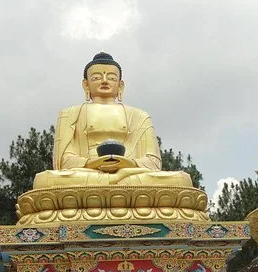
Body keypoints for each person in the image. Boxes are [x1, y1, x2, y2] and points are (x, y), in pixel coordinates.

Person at [32, 52, 192, 189]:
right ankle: (117, 186)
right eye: (96, 77)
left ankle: (114, 185)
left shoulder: (139, 115)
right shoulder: (70, 114)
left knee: (181, 180)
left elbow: (153, 162)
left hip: (128, 173)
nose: (104, 81)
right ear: (86, 85)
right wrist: (93, 163)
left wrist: (126, 163)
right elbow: (64, 162)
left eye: (111, 78)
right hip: (88, 173)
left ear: (120, 85)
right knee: (45, 180)